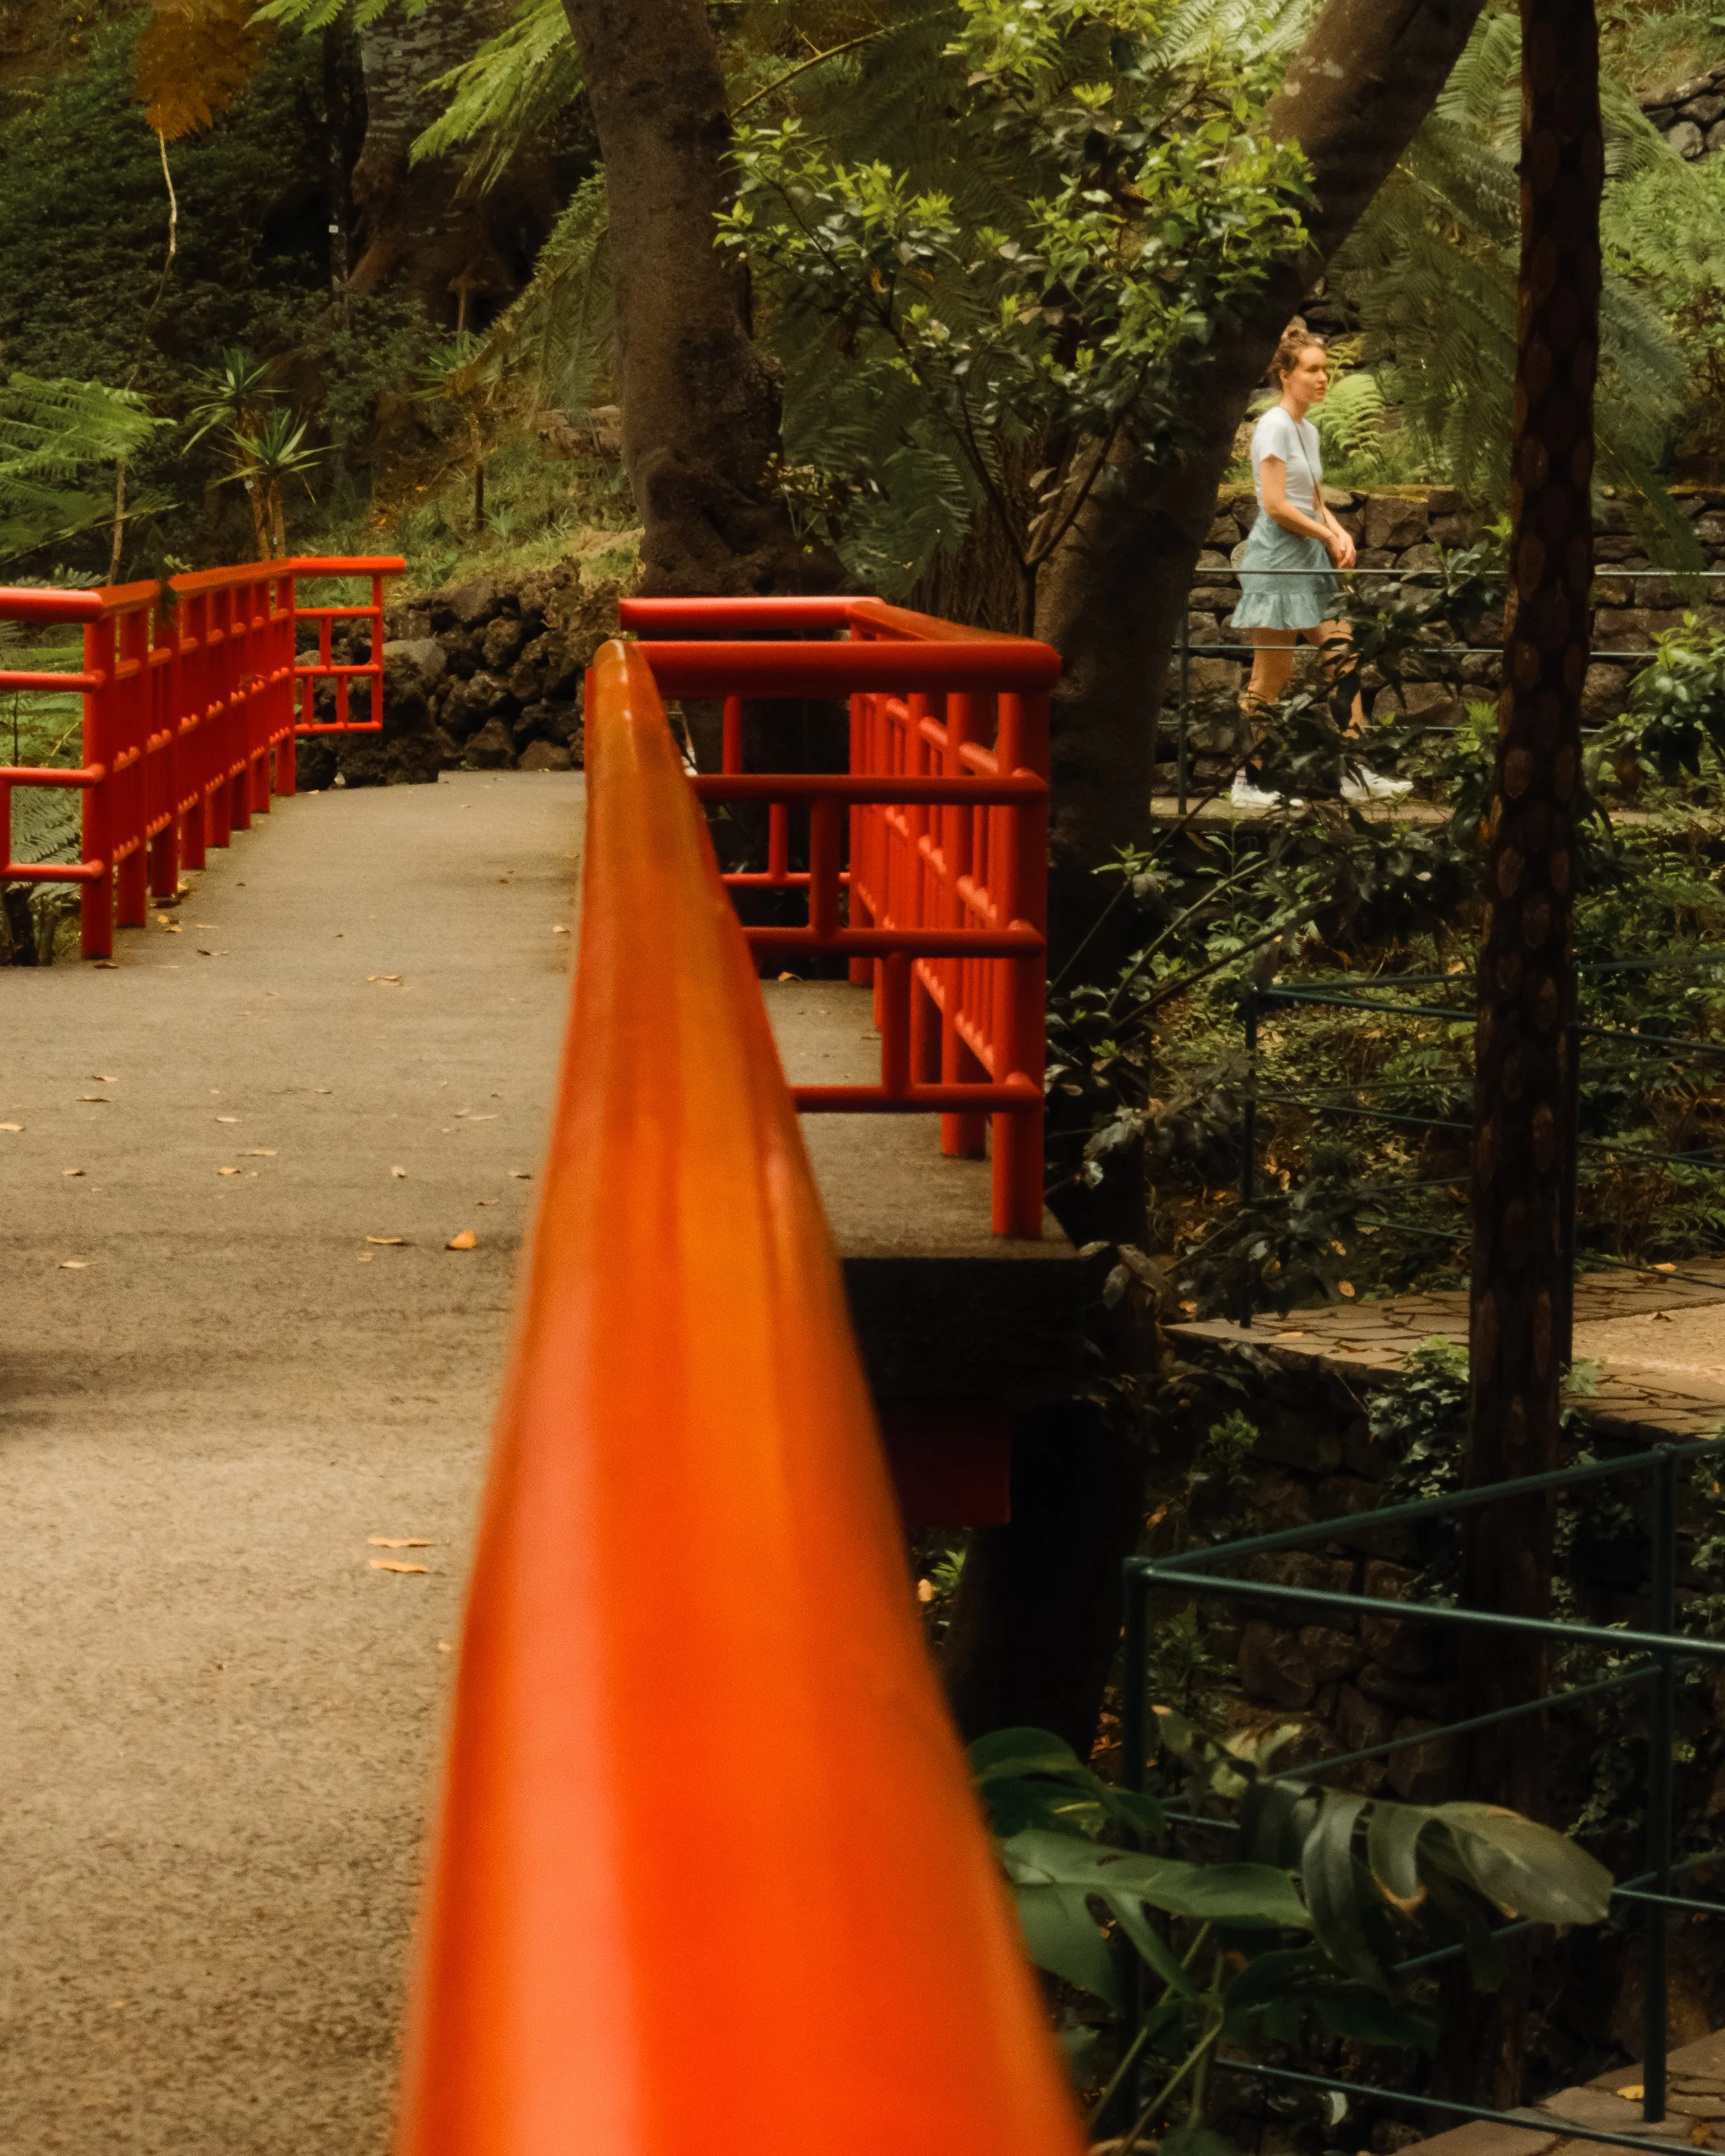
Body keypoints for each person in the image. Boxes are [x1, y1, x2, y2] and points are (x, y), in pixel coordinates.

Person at [1229, 323, 1410, 810]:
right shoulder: (1273, 425)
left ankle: (1357, 774)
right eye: (1312, 370)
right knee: (1271, 678)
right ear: (1285, 376)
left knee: (1344, 659)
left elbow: (1310, 500)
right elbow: (1274, 505)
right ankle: (1249, 782)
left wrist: (1338, 529)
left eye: (1325, 370)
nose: (1323, 378)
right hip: (1276, 562)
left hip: (1309, 558)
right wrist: (1327, 534)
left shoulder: (1306, 429)